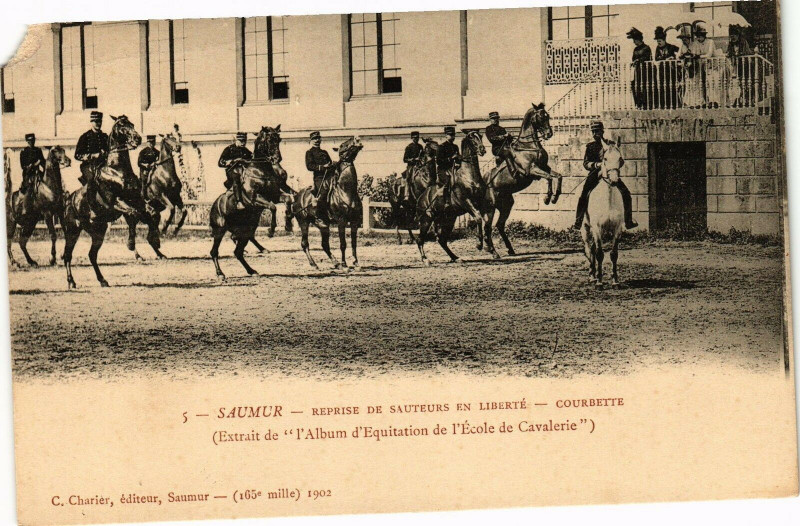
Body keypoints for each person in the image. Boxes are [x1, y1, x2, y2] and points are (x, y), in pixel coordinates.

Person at [573, 121, 637, 231]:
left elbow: (620, 160)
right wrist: (596, 165)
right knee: (584, 194)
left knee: (626, 193)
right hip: (595, 174)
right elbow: (586, 163)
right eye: (593, 132)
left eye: (597, 131)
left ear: (602, 131)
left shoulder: (611, 144)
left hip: (610, 174)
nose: (595, 134)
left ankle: (628, 221)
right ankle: (578, 221)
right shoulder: (590, 146)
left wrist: (615, 165)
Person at [218, 132, 253, 208]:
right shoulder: (229, 149)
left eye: (244, 141)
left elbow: (252, 158)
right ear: (236, 140)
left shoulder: (246, 150)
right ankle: (239, 202)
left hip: (243, 171)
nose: (243, 143)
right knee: (236, 178)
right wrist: (230, 161)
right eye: (241, 141)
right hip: (232, 171)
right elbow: (220, 163)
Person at [74, 111, 108, 187]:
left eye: (100, 121)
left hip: (102, 165)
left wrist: (105, 153)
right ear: (91, 122)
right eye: (96, 121)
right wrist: (92, 156)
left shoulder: (105, 137)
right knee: (92, 181)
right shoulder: (85, 137)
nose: (98, 124)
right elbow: (77, 155)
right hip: (88, 166)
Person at [727, 24, 754, 107]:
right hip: (737, 66)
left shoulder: (743, 42)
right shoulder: (731, 44)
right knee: (739, 83)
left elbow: (747, 52)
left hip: (746, 65)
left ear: (738, 36)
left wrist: (740, 54)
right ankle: (739, 99)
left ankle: (748, 99)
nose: (733, 38)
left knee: (747, 82)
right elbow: (729, 53)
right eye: (731, 36)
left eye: (734, 36)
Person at [654, 26, 680, 109]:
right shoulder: (657, 48)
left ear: (664, 40)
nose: (659, 43)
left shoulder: (670, 47)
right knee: (662, 87)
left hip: (670, 70)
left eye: (660, 41)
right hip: (662, 71)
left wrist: (673, 57)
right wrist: (664, 58)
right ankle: (663, 105)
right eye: (657, 41)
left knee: (671, 86)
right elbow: (656, 58)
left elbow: (679, 51)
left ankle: (674, 104)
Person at [435, 126, 461, 207]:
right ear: (446, 135)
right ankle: (446, 201)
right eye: (450, 135)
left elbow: (458, 159)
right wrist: (451, 158)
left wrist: (459, 160)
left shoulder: (455, 147)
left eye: (453, 135)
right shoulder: (441, 147)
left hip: (453, 169)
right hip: (443, 169)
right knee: (447, 181)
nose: (452, 137)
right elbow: (439, 161)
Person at [628, 28, 652, 109]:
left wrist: (638, 60)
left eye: (634, 40)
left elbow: (647, 58)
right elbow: (633, 58)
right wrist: (633, 62)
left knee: (644, 87)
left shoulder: (646, 48)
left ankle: (645, 104)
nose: (634, 42)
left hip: (645, 71)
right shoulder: (635, 49)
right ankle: (638, 104)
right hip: (637, 70)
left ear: (638, 39)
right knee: (635, 86)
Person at [305, 131, 334, 198]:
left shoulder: (324, 152)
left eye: (318, 138)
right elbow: (309, 166)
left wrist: (332, 165)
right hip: (319, 178)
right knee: (323, 193)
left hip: (330, 177)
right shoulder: (309, 152)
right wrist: (323, 167)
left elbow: (330, 163)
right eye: (314, 139)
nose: (317, 140)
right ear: (311, 140)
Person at [19, 133, 45, 199]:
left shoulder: (38, 150)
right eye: (30, 141)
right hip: (28, 173)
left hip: (37, 172)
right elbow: (23, 166)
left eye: (33, 141)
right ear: (27, 141)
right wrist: (33, 165)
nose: (32, 142)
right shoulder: (24, 151)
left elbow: (43, 162)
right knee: (29, 187)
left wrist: (46, 167)